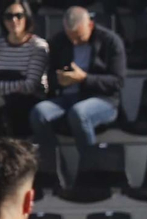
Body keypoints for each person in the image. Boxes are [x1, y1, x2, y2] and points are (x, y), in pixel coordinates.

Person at [29, 7, 126, 186]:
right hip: (67, 98)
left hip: (102, 100)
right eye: (70, 37)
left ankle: (92, 171)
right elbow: (47, 77)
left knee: (79, 113)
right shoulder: (59, 42)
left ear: (90, 25)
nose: (74, 42)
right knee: (39, 113)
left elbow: (117, 82)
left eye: (79, 37)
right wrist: (59, 80)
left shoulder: (110, 41)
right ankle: (55, 167)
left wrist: (85, 79)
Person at [0, 1, 51, 137]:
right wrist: (15, 85)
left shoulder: (38, 46)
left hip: (28, 102)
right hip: (1, 103)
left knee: (10, 111)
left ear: (27, 17)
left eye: (19, 15)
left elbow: (30, 86)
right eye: (8, 16)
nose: (14, 20)